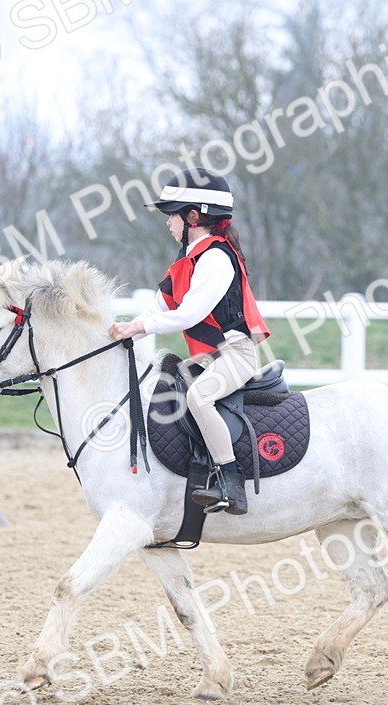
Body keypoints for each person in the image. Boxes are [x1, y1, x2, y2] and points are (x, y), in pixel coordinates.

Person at [109, 169, 270, 515]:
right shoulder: (185, 263)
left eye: (172, 215)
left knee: (199, 397)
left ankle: (230, 481)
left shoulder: (215, 258)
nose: (168, 223)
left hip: (234, 356)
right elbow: (159, 307)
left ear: (193, 216)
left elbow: (188, 315)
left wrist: (141, 326)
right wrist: (123, 328)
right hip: (209, 357)